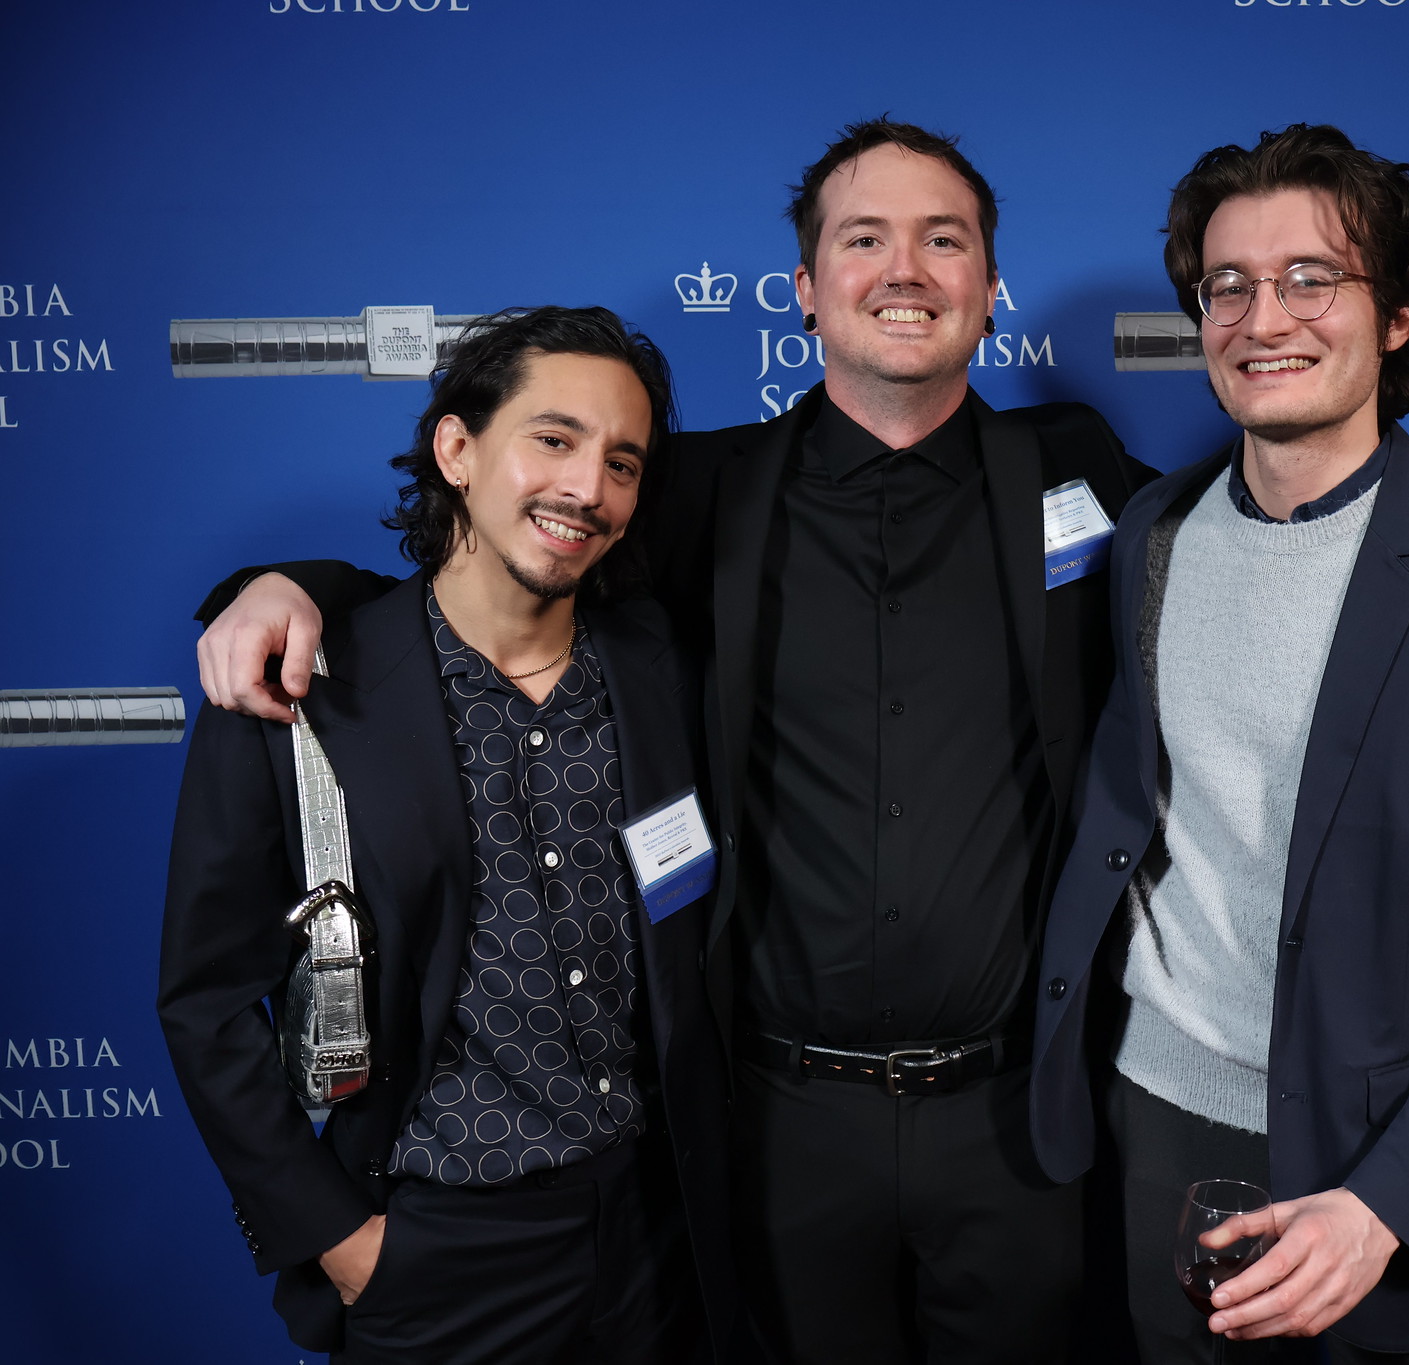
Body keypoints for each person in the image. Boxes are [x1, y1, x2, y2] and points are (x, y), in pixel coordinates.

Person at [188, 119, 1156, 1365]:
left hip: (1016, 1121)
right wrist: (279, 586)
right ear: (806, 290)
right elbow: (482, 576)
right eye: (864, 240)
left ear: (987, 289)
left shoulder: (1070, 470)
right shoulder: (701, 491)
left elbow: (1231, 536)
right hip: (778, 1129)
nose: (904, 268)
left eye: (943, 240)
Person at [1029, 124, 1409, 1364]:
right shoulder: (1152, 533)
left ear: (1401, 318)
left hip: (1389, 1164)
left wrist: (1385, 1205)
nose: (1265, 317)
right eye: (1227, 285)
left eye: (1312, 278)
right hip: (1155, 1135)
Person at [158, 307, 735, 1364]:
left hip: (664, 1243)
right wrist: (336, 1239)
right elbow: (202, 1001)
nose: (586, 489)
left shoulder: (666, 667)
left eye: (621, 461)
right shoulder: (305, 690)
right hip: (439, 1251)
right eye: (552, 441)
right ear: (456, 447)